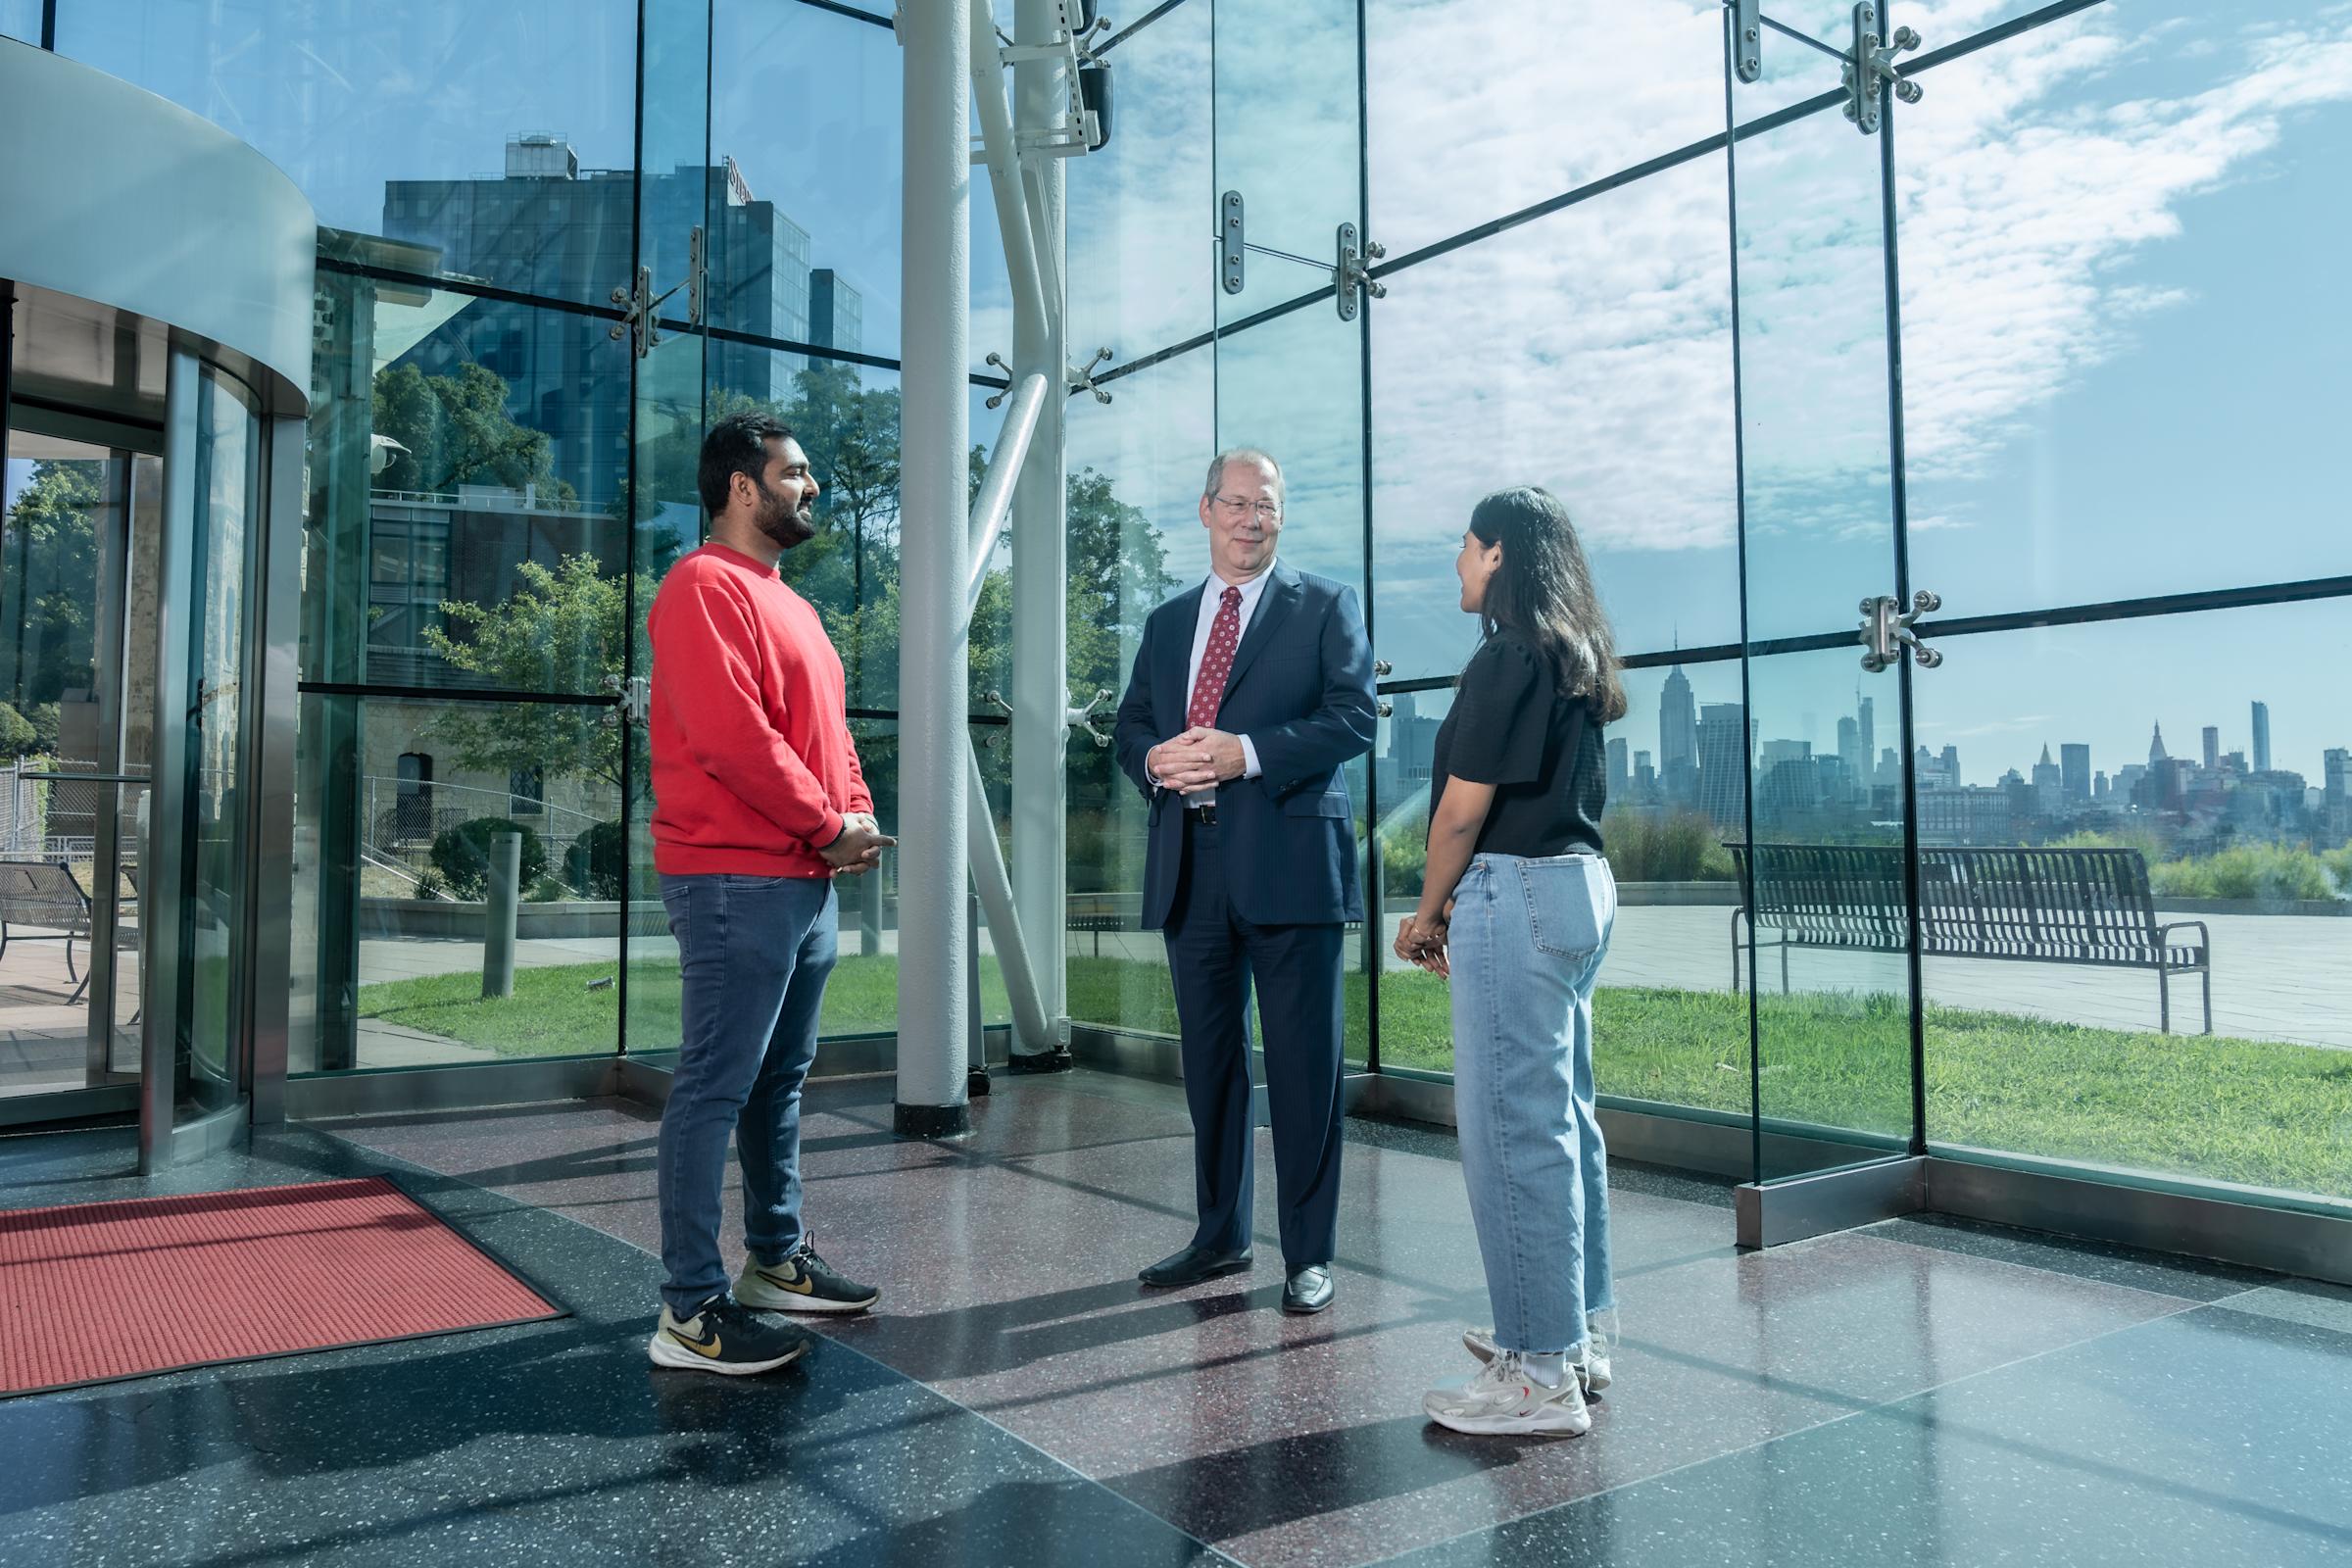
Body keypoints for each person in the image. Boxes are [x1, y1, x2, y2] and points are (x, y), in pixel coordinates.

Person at [643, 411, 896, 1376]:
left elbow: (831, 740)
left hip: (804, 878)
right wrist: (827, 827)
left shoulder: (799, 607)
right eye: (795, 471)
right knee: (713, 1083)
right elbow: (730, 736)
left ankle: (775, 1261)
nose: (812, 487)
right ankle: (690, 1310)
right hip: (733, 878)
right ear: (742, 486)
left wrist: (855, 817)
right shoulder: (702, 584)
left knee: (778, 1082)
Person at [1113, 448, 1377, 1315]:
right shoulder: (1167, 622)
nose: (1250, 518)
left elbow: (1354, 717)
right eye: (1235, 504)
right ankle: (1220, 1235)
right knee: (1211, 1068)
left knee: (1305, 1069)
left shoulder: (1325, 605)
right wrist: (1155, 760)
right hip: (1192, 868)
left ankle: (1308, 1254)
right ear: (1206, 512)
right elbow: (1132, 729)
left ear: (1280, 514)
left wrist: (1247, 754)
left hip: (1291, 866)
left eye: (1265, 505)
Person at [1397, 485, 1628, 1437]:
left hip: (1520, 892)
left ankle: (1537, 1376)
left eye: (1465, 545)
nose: (1457, 561)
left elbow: (1459, 810)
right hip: (1580, 888)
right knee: (1564, 1119)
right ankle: (1575, 1336)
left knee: (1511, 1131)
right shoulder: (1575, 654)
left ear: (1498, 556)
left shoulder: (1507, 656)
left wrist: (1424, 914)